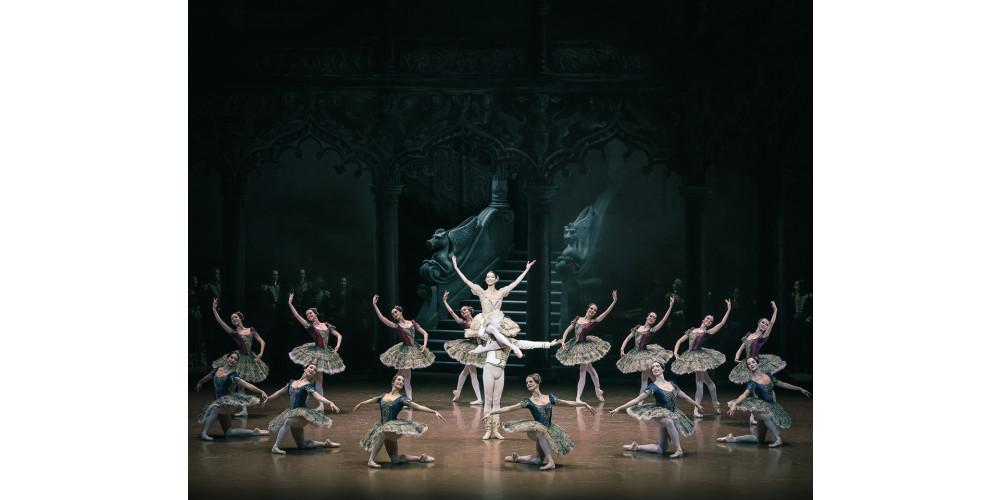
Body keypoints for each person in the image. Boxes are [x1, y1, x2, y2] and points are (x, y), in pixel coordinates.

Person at [484, 373, 596, 471]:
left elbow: (567, 403)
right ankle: (551, 462)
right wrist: (491, 413)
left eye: (530, 381)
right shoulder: (528, 402)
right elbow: (510, 408)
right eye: (526, 382)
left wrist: (584, 404)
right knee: (540, 432)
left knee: (538, 460)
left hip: (548, 429)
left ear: (537, 383)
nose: (528, 384)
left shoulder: (550, 398)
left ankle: (517, 458)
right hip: (536, 430)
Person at [608, 361, 700, 458]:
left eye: (657, 366)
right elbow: (637, 400)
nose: (655, 368)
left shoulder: (672, 384)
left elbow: (685, 396)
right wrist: (619, 408)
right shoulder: (653, 387)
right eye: (652, 367)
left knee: (660, 450)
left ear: (663, 369)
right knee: (669, 421)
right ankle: (679, 450)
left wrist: (697, 405)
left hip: (671, 413)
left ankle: (636, 447)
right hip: (659, 415)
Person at [450, 254, 535, 358]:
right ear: (486, 279)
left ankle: (500, 349)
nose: (489, 278)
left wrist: (527, 269)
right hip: (485, 322)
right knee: (487, 336)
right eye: (488, 277)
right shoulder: (481, 292)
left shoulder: (501, 292)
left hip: (497, 322)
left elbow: (516, 282)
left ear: (496, 279)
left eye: (492, 277)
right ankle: (507, 347)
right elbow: (466, 281)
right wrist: (456, 267)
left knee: (498, 346)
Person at [354, 375, 446, 468]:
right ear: (393, 382)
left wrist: (434, 411)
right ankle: (420, 458)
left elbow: (417, 406)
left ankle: (371, 460)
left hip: (393, 428)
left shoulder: (402, 398)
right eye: (399, 380)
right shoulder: (383, 395)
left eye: (402, 381)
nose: (401, 382)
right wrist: (362, 403)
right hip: (383, 426)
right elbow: (373, 400)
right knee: (395, 459)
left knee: (382, 432)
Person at [718, 356, 811, 448]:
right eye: (749, 364)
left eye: (753, 362)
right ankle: (778, 440)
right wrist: (735, 404)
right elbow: (744, 395)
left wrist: (799, 389)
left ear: (758, 363)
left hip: (770, 406)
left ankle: (732, 439)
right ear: (748, 367)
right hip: (759, 407)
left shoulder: (769, 375)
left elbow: (782, 384)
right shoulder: (752, 381)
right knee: (766, 416)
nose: (751, 364)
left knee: (759, 439)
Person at [263, 363, 341, 454]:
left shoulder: (308, 386)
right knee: (301, 445)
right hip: (293, 413)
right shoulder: (292, 382)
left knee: (288, 421)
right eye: (311, 368)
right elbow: (280, 392)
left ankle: (275, 447)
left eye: (314, 370)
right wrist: (269, 398)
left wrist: (330, 402)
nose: (312, 370)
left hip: (302, 415)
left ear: (314, 375)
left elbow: (318, 396)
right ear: (305, 369)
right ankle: (325, 444)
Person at [671, 299, 731, 417]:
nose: (709, 321)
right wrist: (675, 352)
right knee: (707, 381)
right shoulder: (692, 330)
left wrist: (728, 309)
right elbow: (679, 341)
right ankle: (715, 403)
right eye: (708, 319)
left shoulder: (708, 332)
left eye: (711, 320)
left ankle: (696, 410)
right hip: (690, 355)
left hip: (700, 357)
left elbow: (722, 323)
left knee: (699, 383)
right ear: (703, 320)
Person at [210, 298, 268, 417]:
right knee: (233, 385)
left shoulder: (251, 330)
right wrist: (214, 309)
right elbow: (220, 322)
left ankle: (241, 409)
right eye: (232, 319)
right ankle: (228, 406)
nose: (234, 319)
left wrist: (261, 353)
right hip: (238, 359)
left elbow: (262, 342)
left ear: (241, 318)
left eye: (235, 317)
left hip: (249, 359)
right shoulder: (234, 333)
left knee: (239, 386)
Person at [556, 290, 618, 402]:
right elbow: (567, 330)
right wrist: (563, 342)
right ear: (587, 309)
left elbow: (605, 313)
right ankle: (598, 390)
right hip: (575, 344)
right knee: (591, 369)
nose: (593, 311)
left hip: (584, 347)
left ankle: (578, 397)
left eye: (595, 310)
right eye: (591, 308)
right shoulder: (577, 319)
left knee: (582, 371)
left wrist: (614, 301)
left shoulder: (592, 322)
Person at [288, 293, 345, 412]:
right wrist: (290, 303)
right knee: (310, 380)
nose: (309, 316)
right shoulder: (310, 327)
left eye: (310, 313)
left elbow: (339, 335)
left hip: (325, 353)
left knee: (317, 380)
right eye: (307, 315)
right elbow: (297, 316)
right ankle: (304, 403)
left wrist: (338, 345)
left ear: (316, 313)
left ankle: (317, 405)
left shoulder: (326, 325)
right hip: (315, 354)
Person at [194, 351, 269, 441]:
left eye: (235, 359)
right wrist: (200, 382)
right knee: (229, 432)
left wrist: (261, 391)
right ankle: (254, 432)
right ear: (227, 358)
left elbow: (247, 384)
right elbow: (208, 377)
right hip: (217, 401)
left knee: (215, 409)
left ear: (236, 362)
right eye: (231, 357)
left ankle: (204, 433)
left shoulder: (232, 375)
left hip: (226, 402)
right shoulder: (217, 370)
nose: (233, 360)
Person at [372, 295, 436, 400]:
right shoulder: (396, 326)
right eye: (393, 314)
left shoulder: (412, 323)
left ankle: (393, 395)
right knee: (406, 376)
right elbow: (382, 318)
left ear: (401, 312)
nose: (394, 314)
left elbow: (425, 333)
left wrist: (424, 345)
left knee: (399, 375)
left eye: (396, 312)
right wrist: (375, 305)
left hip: (413, 348)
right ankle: (408, 400)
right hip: (404, 351)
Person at [616, 297, 675, 391]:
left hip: (645, 356)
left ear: (654, 321)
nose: (652, 318)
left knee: (644, 381)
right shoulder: (638, 327)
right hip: (636, 353)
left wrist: (670, 306)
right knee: (654, 379)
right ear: (647, 317)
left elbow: (664, 320)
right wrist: (622, 348)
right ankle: (668, 390)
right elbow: (628, 338)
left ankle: (641, 399)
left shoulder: (651, 330)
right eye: (651, 316)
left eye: (654, 318)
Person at [441, 291, 485, 404]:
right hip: (470, 348)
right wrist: (445, 301)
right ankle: (479, 398)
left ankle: (458, 392)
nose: (462, 312)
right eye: (461, 311)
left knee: (465, 372)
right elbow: (451, 312)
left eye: (464, 310)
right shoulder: (463, 323)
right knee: (473, 373)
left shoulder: (479, 320)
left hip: (478, 347)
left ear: (470, 311)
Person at [728, 301, 785, 384]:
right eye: (763, 322)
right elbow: (740, 349)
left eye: (766, 324)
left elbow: (772, 323)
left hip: (756, 362)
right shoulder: (748, 335)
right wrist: (736, 358)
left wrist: (775, 310)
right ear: (758, 323)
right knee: (754, 384)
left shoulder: (762, 337)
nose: (764, 325)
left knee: (761, 382)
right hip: (748, 362)